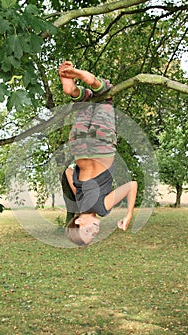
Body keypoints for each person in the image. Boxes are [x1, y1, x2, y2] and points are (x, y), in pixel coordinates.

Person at [58, 61, 137, 246]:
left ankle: (88, 81)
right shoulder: (79, 197)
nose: (94, 231)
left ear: (78, 221)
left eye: (88, 231)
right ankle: (73, 91)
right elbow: (69, 171)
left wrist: (129, 215)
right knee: (87, 102)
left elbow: (132, 185)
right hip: (78, 144)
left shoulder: (102, 208)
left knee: (105, 94)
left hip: (102, 144)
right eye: (93, 235)